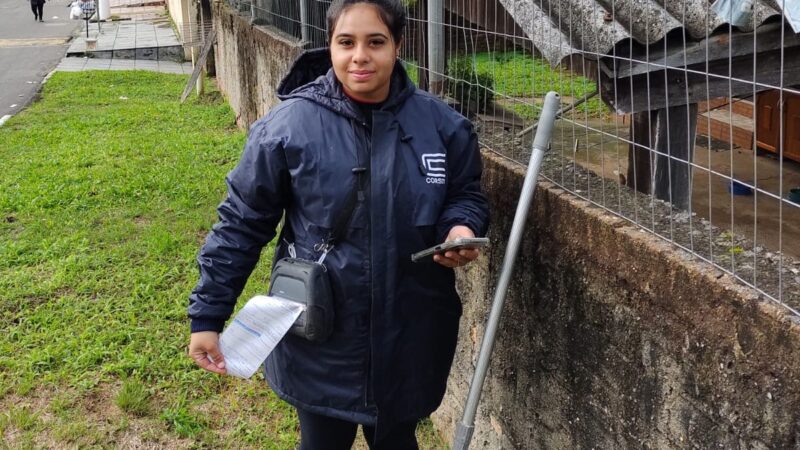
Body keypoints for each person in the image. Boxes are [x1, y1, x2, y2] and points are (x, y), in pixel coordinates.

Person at [187, 0, 490, 447]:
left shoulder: (444, 128)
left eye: (376, 42)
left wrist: (460, 226)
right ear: (328, 45)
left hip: (412, 330)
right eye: (346, 42)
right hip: (324, 340)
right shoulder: (287, 128)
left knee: (398, 438)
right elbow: (241, 223)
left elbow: (465, 193)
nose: (360, 56)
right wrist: (208, 315)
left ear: (399, 45)